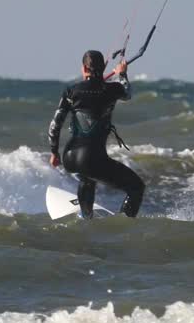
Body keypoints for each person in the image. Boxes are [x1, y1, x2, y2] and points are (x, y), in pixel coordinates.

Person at [48, 50, 145, 218]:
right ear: (103, 68)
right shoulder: (113, 89)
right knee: (136, 187)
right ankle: (122, 226)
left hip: (70, 157)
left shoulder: (71, 91)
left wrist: (54, 152)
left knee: (87, 177)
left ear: (85, 68)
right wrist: (122, 74)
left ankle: (86, 217)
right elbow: (127, 93)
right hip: (93, 158)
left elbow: (55, 125)